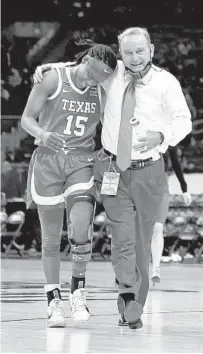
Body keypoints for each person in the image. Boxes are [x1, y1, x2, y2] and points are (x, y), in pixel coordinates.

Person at [33, 27, 192, 330]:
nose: (134, 57)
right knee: (122, 239)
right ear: (121, 53)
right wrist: (49, 68)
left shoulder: (166, 82)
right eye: (128, 52)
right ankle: (127, 299)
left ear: (152, 50)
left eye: (140, 51)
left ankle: (137, 299)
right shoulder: (111, 72)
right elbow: (82, 68)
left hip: (150, 169)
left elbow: (183, 120)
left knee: (143, 242)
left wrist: (163, 135)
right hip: (112, 169)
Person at [21, 44, 117, 328]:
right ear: (84, 60)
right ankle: (53, 301)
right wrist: (41, 132)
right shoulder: (52, 79)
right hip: (49, 161)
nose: (92, 81)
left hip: (81, 161)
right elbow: (26, 118)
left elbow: (125, 71)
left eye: (99, 78)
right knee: (50, 239)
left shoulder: (102, 86)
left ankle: (78, 289)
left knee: (80, 227)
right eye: (90, 74)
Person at [151, 145, 192, 284]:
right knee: (140, 229)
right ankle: (135, 268)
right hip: (141, 184)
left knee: (158, 227)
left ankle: (156, 268)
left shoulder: (168, 139)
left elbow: (175, 164)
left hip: (161, 186)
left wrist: (184, 189)